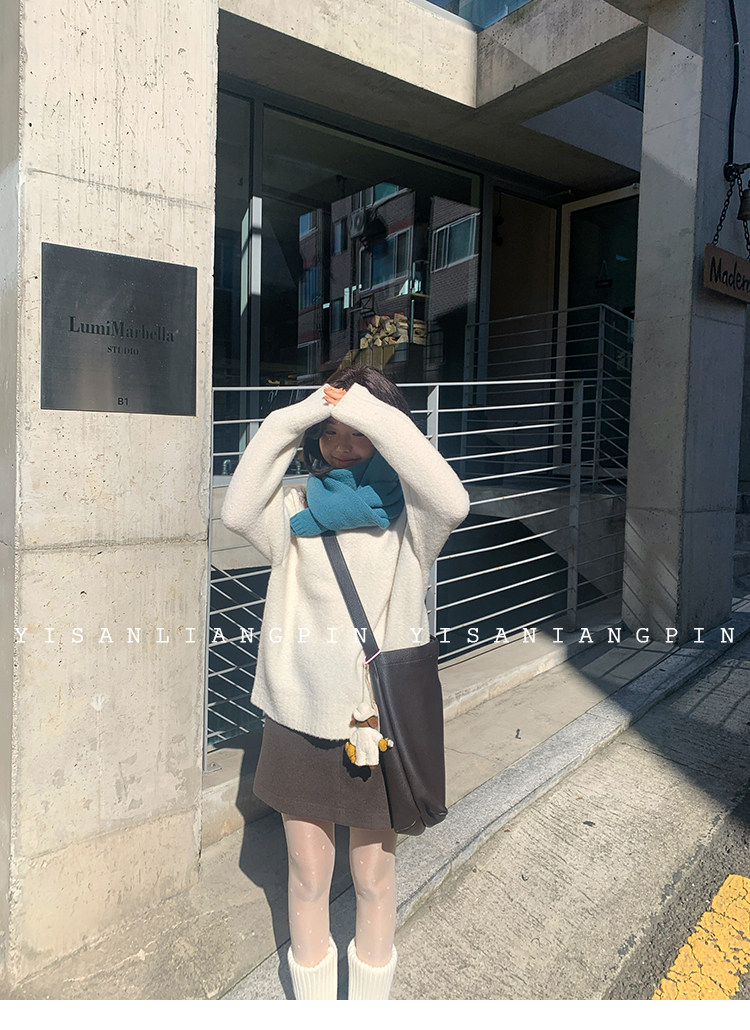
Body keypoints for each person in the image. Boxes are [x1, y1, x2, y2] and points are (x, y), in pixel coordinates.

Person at [220, 365, 470, 1000]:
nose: (341, 445)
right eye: (329, 434)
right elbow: (237, 508)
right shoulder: (295, 512)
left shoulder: (410, 523)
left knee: (373, 879)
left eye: (356, 432)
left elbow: (453, 501)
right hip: (298, 721)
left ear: (383, 433)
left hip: (373, 727)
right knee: (306, 876)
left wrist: (370, 411)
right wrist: (298, 413)